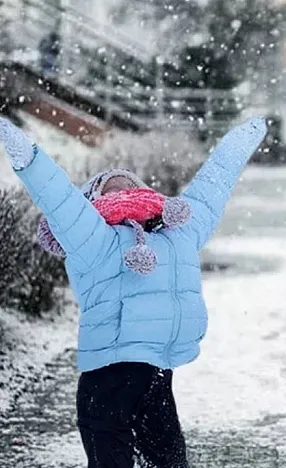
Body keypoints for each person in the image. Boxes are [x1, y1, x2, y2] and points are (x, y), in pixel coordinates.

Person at [0, 117, 266, 467]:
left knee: (169, 461)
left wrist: (236, 145)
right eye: (109, 185)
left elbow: (212, 186)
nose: (120, 184)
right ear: (92, 203)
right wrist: (29, 157)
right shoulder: (94, 239)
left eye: (129, 183)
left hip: (156, 374)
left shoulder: (176, 235)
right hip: (106, 378)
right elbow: (60, 200)